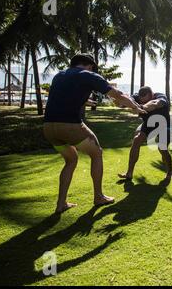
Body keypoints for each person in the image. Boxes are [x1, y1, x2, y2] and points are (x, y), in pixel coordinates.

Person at [44, 54, 146, 214]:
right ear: (90, 65)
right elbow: (118, 94)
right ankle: (98, 196)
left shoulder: (59, 76)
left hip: (49, 128)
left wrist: (85, 101)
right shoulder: (88, 75)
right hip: (70, 126)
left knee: (71, 160)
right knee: (96, 153)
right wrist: (136, 107)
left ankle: (61, 203)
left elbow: (63, 97)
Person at [118, 87, 172, 185]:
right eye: (142, 100)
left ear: (152, 95)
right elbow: (124, 103)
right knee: (137, 140)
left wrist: (141, 107)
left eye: (147, 100)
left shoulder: (160, 97)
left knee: (162, 149)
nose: (144, 101)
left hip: (163, 125)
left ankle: (169, 172)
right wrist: (119, 102)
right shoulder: (137, 97)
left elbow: (154, 104)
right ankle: (129, 173)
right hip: (148, 123)